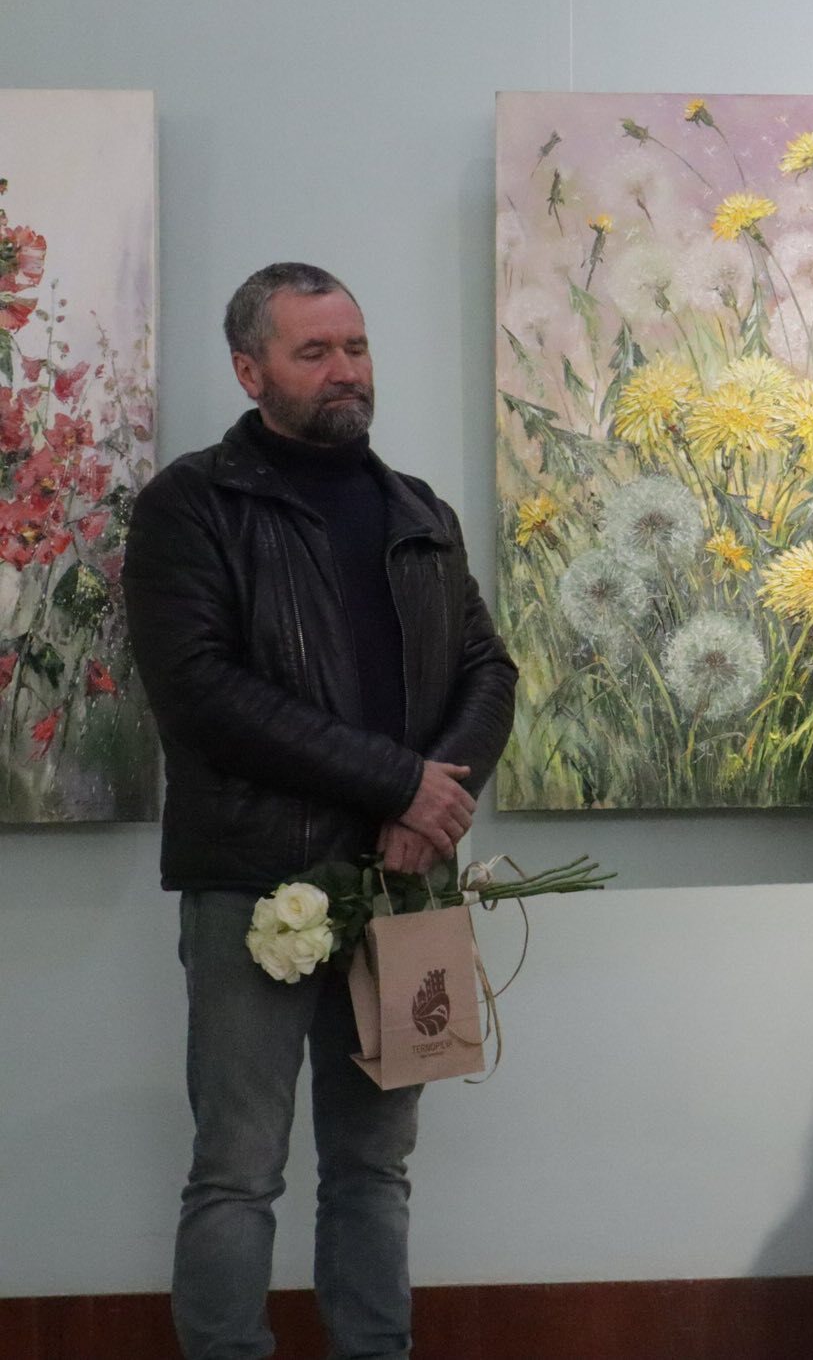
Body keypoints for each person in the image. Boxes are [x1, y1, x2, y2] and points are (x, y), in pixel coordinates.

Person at [125, 262, 517, 1360]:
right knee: (238, 1170)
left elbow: (488, 670)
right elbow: (202, 692)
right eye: (313, 351)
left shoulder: (417, 509)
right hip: (254, 882)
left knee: (375, 1167)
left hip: (403, 886)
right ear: (250, 371)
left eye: (355, 346)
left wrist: (432, 807)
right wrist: (397, 782)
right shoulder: (191, 505)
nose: (345, 369)